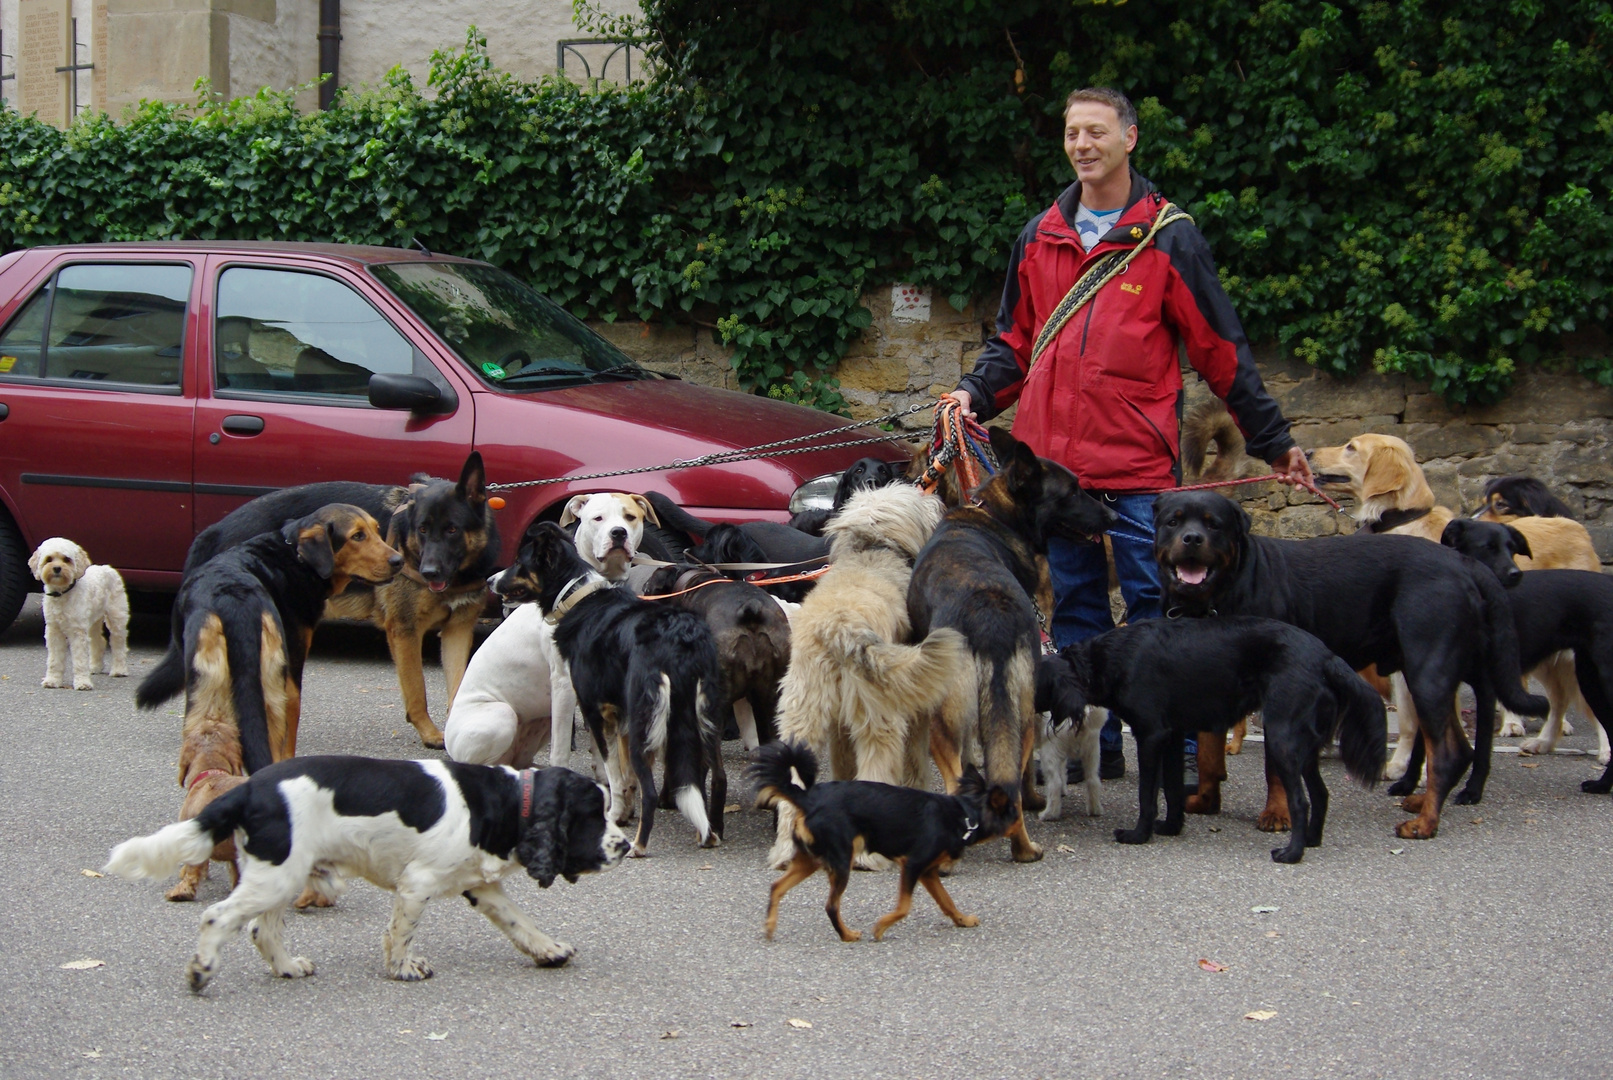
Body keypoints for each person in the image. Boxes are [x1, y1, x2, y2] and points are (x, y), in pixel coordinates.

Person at [947, 86, 1311, 780]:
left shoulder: (1168, 235)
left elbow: (1220, 350)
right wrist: (971, 391)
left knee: (1161, 604)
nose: (1082, 144)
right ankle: (1097, 747)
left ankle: (1170, 743)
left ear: (1129, 138)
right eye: (1071, 133)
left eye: (1096, 132)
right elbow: (1013, 345)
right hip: (1058, 473)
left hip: (1140, 467)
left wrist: (1272, 439)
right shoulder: (1039, 234)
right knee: (1078, 608)